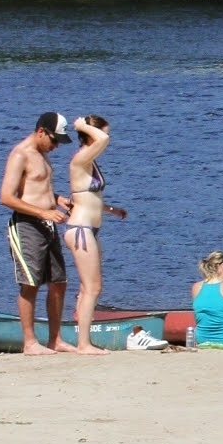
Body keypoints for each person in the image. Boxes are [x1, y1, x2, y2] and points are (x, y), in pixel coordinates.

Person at [0, 112, 74, 356]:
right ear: (41, 131)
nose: (55, 146)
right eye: (53, 140)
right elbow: (6, 197)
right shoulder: (20, 154)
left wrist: (58, 200)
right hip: (28, 226)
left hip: (48, 224)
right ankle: (29, 342)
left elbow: (37, 189)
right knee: (30, 284)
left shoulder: (42, 155)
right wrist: (43, 213)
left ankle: (55, 339)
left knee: (59, 283)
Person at [57, 116, 128, 356]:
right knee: (92, 288)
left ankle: (82, 339)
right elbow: (103, 138)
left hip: (90, 228)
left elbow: (86, 197)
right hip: (80, 230)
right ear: (91, 135)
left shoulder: (90, 160)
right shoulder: (81, 158)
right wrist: (81, 126)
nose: (108, 141)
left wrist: (110, 209)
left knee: (89, 288)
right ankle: (83, 344)